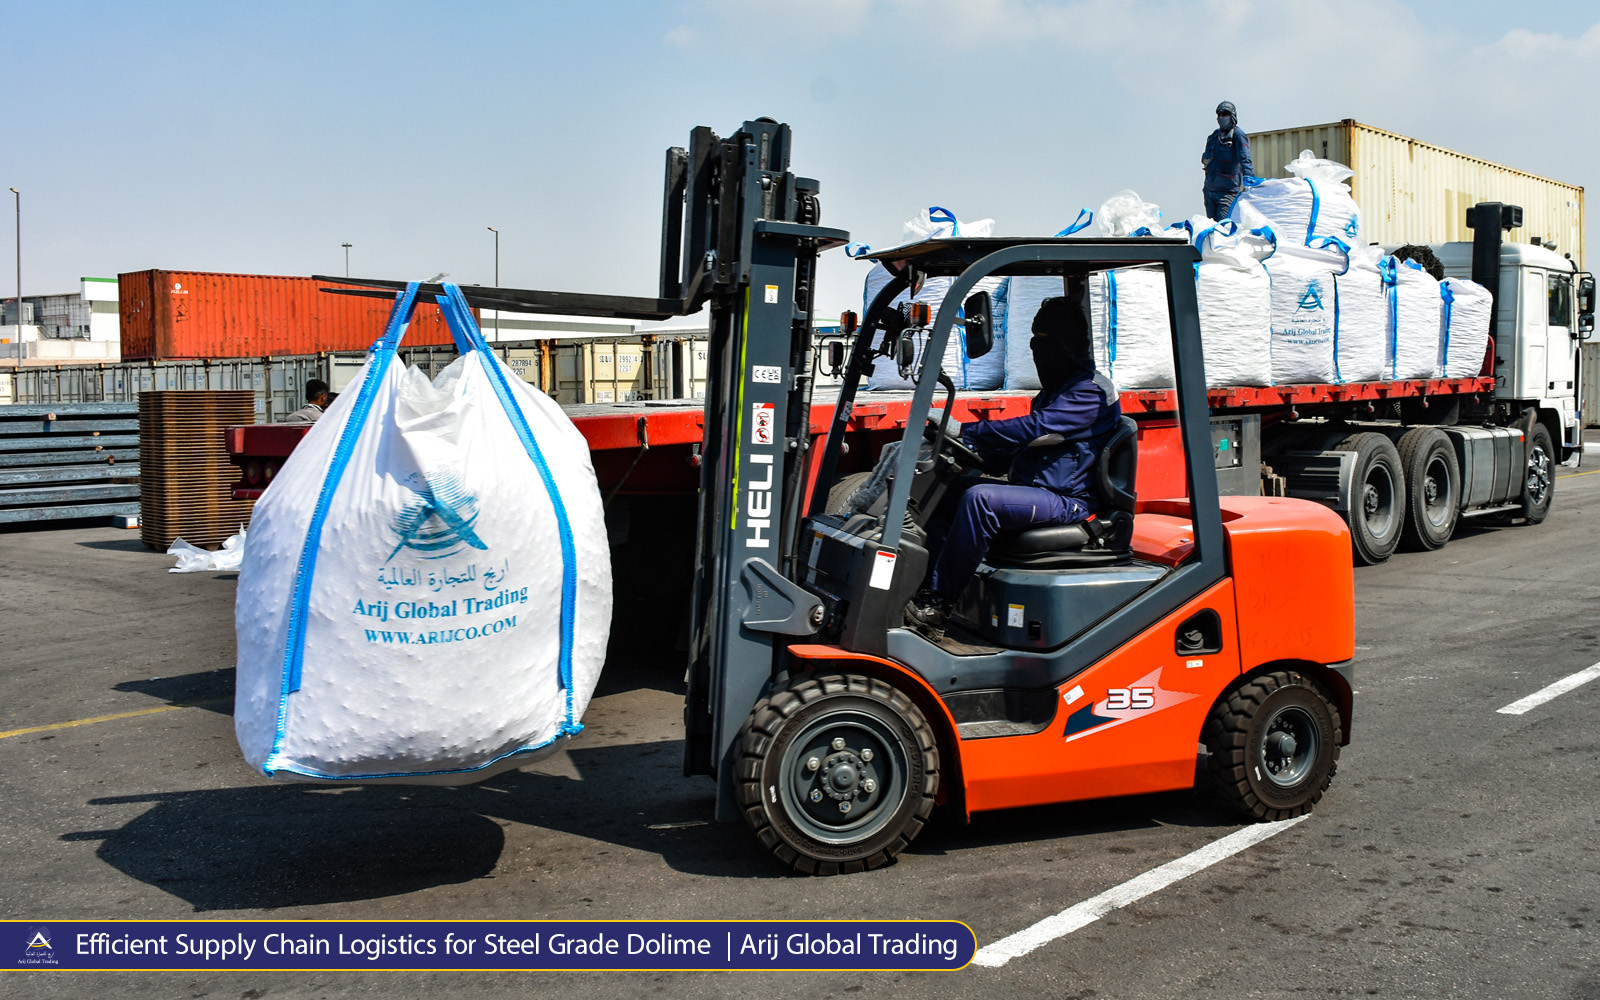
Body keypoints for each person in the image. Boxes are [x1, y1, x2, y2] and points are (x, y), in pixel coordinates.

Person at [904, 288, 1122, 637]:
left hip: (1070, 502)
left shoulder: (1090, 392)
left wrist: (968, 431)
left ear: (1065, 343)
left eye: (1044, 341)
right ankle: (921, 585)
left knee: (981, 501)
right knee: (953, 486)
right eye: (1034, 340)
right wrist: (967, 451)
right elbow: (1030, 443)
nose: (1037, 350)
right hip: (1038, 490)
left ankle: (940, 603)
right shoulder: (1057, 391)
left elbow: (1035, 428)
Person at [1202, 100, 1254, 221]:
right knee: (1211, 229)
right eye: (1219, 115)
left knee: (1224, 229)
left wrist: (1251, 183)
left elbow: (1245, 159)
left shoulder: (1238, 135)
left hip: (1227, 192)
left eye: (1224, 114)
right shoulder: (1214, 136)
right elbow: (1207, 162)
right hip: (1210, 191)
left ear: (1232, 116)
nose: (1221, 117)